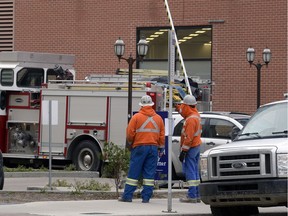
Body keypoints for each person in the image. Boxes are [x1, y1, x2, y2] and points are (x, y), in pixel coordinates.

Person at [118, 95, 165, 203]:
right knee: (149, 174)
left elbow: (130, 133)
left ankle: (128, 196)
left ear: (142, 105)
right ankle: (146, 197)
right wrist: (161, 147)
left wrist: (131, 143)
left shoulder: (136, 117)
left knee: (134, 172)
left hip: (139, 147)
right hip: (153, 148)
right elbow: (162, 135)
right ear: (151, 105)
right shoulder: (158, 118)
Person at [177, 94, 202, 203]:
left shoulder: (191, 119)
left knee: (190, 171)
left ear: (187, 106)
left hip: (191, 148)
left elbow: (188, 137)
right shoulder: (195, 116)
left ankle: (192, 195)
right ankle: (196, 194)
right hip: (196, 146)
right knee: (195, 171)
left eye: (183, 106)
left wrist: (183, 151)